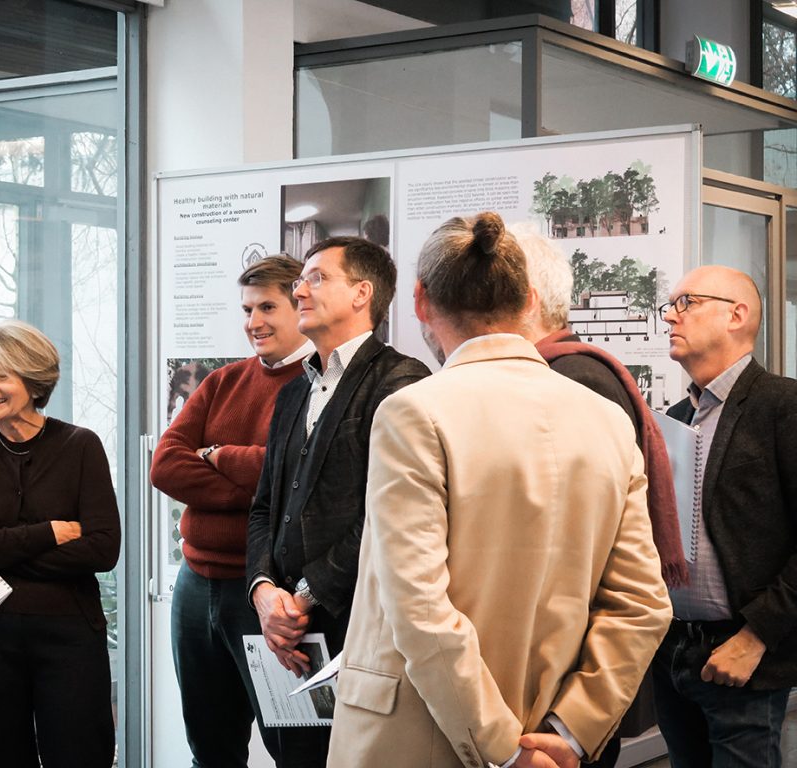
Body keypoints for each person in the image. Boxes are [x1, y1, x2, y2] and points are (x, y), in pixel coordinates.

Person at [326, 213, 672, 768]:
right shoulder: (606, 419)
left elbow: (419, 607)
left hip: (426, 737)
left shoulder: (414, 412)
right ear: (530, 298)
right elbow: (642, 603)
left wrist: (504, 749)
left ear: (419, 301)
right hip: (552, 737)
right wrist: (572, 731)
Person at [246, 236, 430, 767]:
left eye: (317, 278)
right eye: (301, 281)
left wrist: (301, 597)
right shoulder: (293, 393)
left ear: (362, 293)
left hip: (355, 629)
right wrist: (264, 594)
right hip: (283, 632)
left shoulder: (401, 381)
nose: (300, 290)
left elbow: (388, 517)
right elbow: (264, 507)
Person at [512, 223, 688, 767]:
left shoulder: (573, 378)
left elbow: (570, 551)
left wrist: (572, 718)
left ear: (526, 298)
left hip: (567, 673)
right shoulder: (561, 372)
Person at [0, 319, 121, 768]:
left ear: (34, 381)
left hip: (70, 640)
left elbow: (102, 550)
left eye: (1, 375)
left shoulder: (80, 446)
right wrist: (48, 533)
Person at [150, 255, 314, 767]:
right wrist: (262, 485)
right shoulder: (222, 381)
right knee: (210, 748)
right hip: (196, 589)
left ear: (300, 306)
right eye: (246, 309)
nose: (253, 322)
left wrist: (217, 454)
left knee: (297, 748)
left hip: (270, 595)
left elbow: (304, 481)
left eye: (267, 306)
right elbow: (165, 468)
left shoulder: (321, 384)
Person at [654, 265, 797, 768]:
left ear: (736, 315)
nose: (670, 316)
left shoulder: (784, 405)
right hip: (673, 651)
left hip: (743, 655)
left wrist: (756, 637)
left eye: (685, 302)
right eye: (668, 306)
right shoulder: (673, 419)